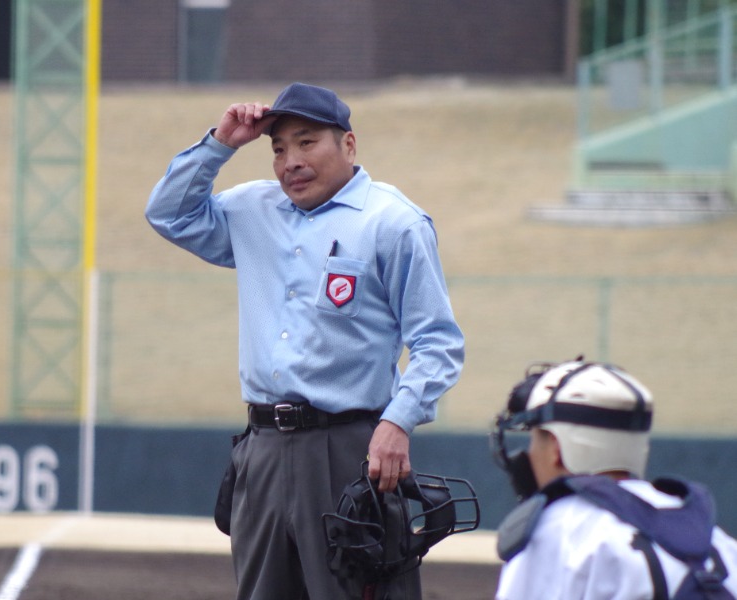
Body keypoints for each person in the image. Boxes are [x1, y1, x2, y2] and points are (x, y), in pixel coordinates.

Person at [145, 82, 464, 599]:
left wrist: (398, 421)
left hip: (350, 449)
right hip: (263, 449)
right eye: (278, 148)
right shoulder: (252, 211)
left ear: (349, 145)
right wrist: (220, 144)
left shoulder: (393, 223)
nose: (290, 160)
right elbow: (169, 214)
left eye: (306, 142)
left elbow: (437, 341)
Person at [491, 358, 737, 599]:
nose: (530, 454)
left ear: (557, 447)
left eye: (535, 440)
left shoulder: (557, 529)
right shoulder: (715, 538)